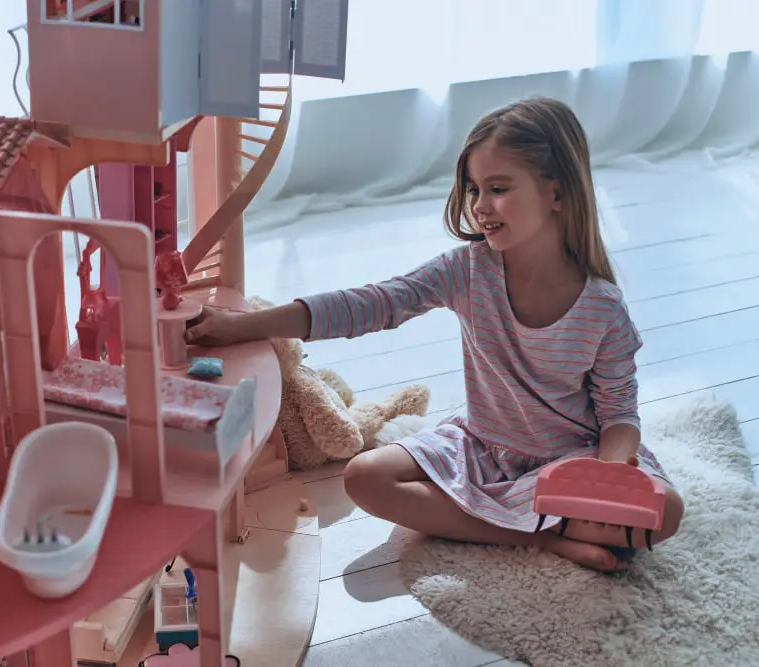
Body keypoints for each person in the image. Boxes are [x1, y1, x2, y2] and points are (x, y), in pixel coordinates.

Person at [184, 97, 684, 573]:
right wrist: (244, 325)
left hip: (572, 460)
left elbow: (619, 417)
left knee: (668, 512)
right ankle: (544, 539)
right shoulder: (466, 270)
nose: (480, 206)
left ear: (556, 192)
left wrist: (609, 477)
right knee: (364, 478)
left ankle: (526, 520)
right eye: (473, 189)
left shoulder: (602, 308)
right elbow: (372, 304)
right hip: (483, 446)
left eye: (499, 188)